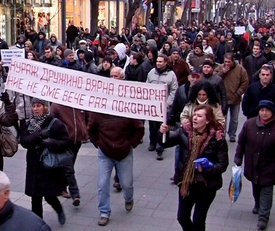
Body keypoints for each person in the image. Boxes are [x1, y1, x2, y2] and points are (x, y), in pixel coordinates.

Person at [88, 67, 145, 226]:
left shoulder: (128, 104)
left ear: (122, 79)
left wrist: (130, 144)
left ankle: (129, 198)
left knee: (126, 183)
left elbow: (139, 129)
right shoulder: (99, 105)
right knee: (102, 184)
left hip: (124, 152)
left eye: (117, 76)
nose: (113, 79)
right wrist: (98, 143)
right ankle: (104, 212)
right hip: (105, 152)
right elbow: (91, 129)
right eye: (111, 76)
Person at [159, 105, 229, 231]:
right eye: (194, 115)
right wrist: (163, 133)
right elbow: (166, 142)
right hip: (187, 182)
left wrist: (206, 169)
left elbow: (223, 164)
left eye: (199, 116)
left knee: (198, 220)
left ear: (207, 120)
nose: (195, 118)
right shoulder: (185, 131)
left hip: (206, 184)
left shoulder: (217, 138)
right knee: (182, 217)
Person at [234, 100, 275, 230]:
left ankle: (264, 217)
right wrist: (238, 157)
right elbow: (241, 142)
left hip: (270, 166)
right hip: (252, 164)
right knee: (256, 187)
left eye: (267, 110)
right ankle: (257, 204)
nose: (264, 113)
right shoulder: (249, 125)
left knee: (266, 189)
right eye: (262, 110)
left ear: (272, 112)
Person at [20, 98, 69, 224]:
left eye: (38, 106)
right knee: (35, 197)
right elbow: (24, 142)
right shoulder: (27, 123)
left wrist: (51, 143)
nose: (35, 109)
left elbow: (65, 142)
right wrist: (38, 136)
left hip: (48, 165)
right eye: (34, 106)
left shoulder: (55, 123)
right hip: (33, 165)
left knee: (49, 194)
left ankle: (59, 209)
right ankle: (38, 224)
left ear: (45, 107)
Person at [146, 54, 178, 160]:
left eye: (160, 61)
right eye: (157, 61)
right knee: (152, 125)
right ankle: (152, 142)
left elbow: (174, 90)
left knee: (162, 125)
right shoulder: (151, 73)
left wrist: (168, 103)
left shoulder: (171, 74)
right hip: (153, 104)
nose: (158, 63)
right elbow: (147, 86)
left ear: (165, 62)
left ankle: (161, 145)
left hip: (165, 105)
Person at [215, 52, 248, 142]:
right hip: (223, 99)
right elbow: (214, 79)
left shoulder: (240, 69)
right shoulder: (220, 67)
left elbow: (245, 82)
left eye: (229, 62)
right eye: (225, 61)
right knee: (222, 119)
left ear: (233, 61)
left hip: (235, 98)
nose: (227, 63)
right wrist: (223, 72)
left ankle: (232, 134)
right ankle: (222, 134)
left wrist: (238, 93)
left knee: (234, 119)